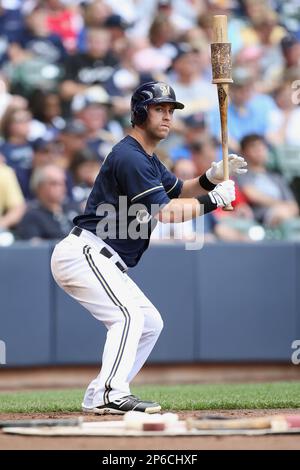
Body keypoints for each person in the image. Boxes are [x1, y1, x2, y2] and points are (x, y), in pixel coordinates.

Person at [50, 81, 246, 415]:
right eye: (159, 109)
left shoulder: (147, 158)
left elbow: (179, 190)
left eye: (170, 111)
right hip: (86, 252)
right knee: (127, 317)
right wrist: (214, 200)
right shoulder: (130, 157)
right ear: (140, 113)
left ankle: (101, 392)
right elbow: (167, 213)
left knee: (150, 322)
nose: (167, 117)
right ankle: (111, 392)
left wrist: (210, 178)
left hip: (101, 257)